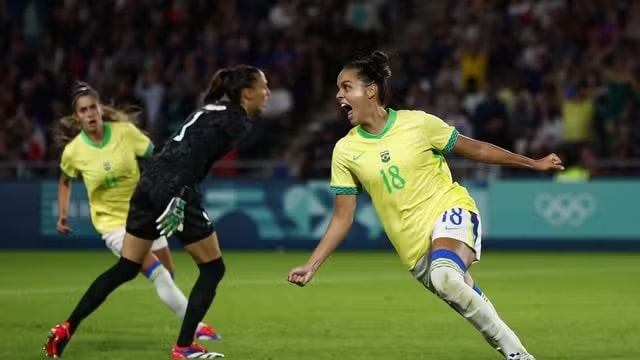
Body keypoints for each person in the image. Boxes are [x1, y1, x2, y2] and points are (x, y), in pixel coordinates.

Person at [287, 51, 564, 360]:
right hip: (414, 249)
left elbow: (477, 149)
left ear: (370, 91)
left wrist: (532, 163)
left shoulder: (417, 123)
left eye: (346, 86)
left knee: (445, 277)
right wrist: (311, 265)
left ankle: (519, 357)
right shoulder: (345, 151)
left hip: (450, 210)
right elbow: (342, 218)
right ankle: (520, 354)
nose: (338, 95)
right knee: (464, 298)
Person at [44, 66, 270, 359]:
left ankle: (66, 328)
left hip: (148, 182)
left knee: (126, 267)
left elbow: (172, 150)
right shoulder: (235, 120)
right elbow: (195, 157)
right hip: (173, 187)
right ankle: (184, 346)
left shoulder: (213, 108)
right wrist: (179, 196)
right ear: (247, 92)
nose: (268, 93)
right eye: (264, 86)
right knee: (213, 269)